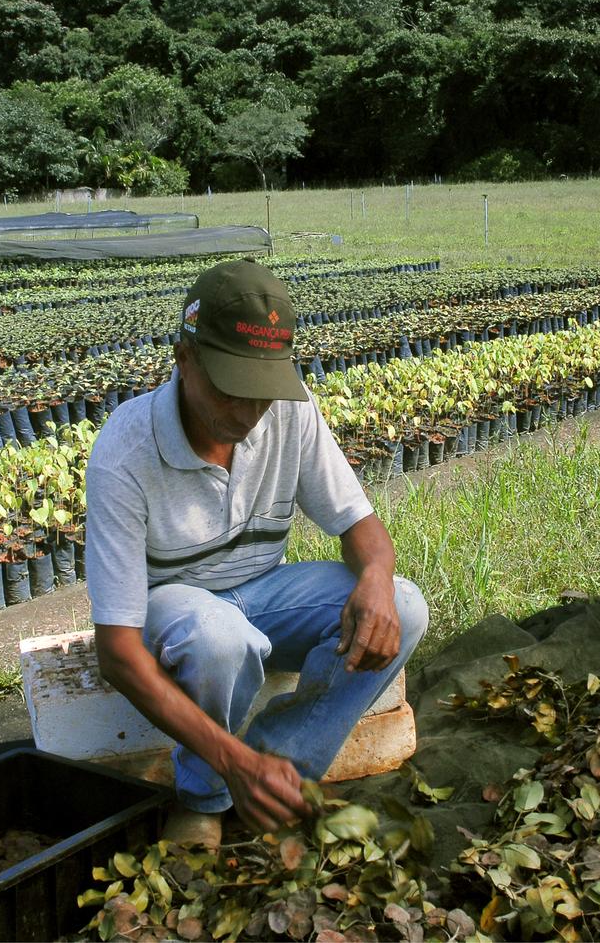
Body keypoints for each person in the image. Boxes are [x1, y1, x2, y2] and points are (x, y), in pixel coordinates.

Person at [84, 258, 429, 851]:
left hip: (263, 595)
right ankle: (209, 794)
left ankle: (279, 771)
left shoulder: (290, 413)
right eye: (229, 389)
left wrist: (375, 575)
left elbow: (361, 525)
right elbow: (117, 653)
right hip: (176, 610)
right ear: (184, 358)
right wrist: (229, 761)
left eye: (261, 393)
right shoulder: (125, 453)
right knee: (217, 637)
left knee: (405, 604)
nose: (247, 414)